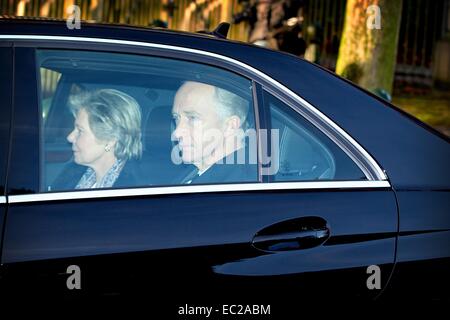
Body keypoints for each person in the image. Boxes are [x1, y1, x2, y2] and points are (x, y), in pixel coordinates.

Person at [51, 88, 143, 190]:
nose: (70, 137)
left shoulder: (134, 191)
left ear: (110, 140)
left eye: (80, 131)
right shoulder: (70, 172)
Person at [171, 81, 257, 184]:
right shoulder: (196, 171)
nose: (177, 133)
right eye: (176, 118)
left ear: (230, 126)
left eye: (193, 118)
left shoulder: (241, 187)